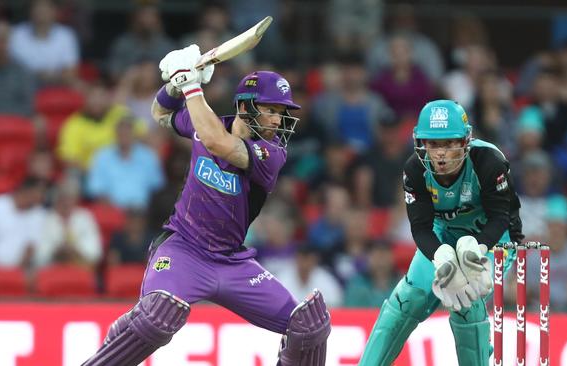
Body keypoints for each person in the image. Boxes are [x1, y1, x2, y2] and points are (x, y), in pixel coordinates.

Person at [82, 45, 330, 366]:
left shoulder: (271, 153)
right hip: (184, 249)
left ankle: (128, 327)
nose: (277, 119)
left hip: (232, 262)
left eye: (282, 112)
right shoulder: (207, 122)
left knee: (310, 326)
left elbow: (217, 142)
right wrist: (173, 86)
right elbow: (160, 114)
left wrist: (191, 86)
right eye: (271, 109)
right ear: (245, 107)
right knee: (158, 319)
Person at [359, 99, 524, 365]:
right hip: (443, 235)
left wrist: (478, 249)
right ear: (421, 142)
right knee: (407, 300)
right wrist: (440, 256)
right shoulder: (415, 169)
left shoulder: (489, 161)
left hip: (494, 239)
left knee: (464, 302)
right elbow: (421, 227)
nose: (441, 154)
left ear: (464, 141)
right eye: (433, 144)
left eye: (449, 143)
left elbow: (501, 218)